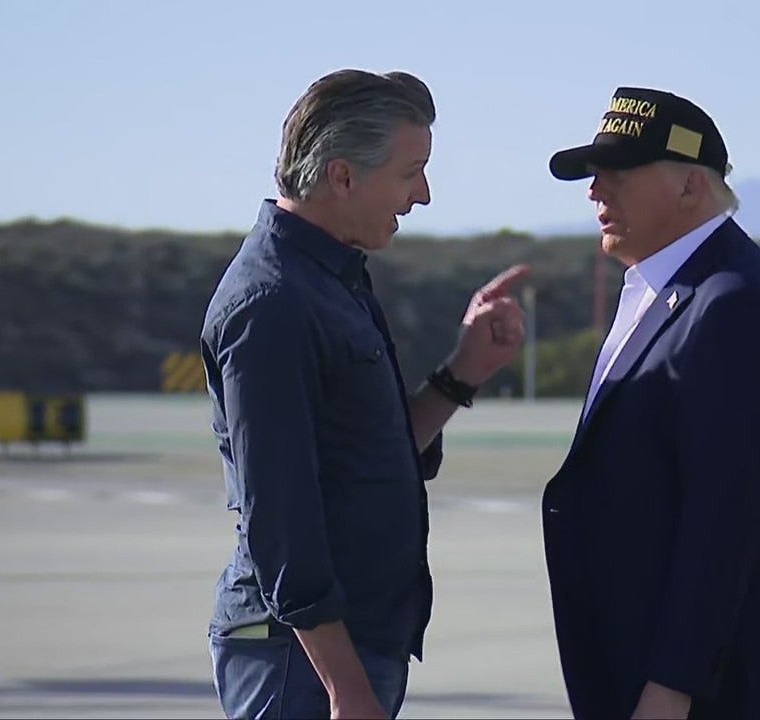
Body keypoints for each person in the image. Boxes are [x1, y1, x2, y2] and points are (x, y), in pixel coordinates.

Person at [200, 69, 528, 720]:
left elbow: (368, 457)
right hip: (301, 662)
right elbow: (282, 521)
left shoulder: (329, 281)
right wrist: (344, 688)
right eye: (412, 172)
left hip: (339, 651)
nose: (425, 194)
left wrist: (461, 373)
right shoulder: (274, 304)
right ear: (343, 176)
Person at [542, 86, 760, 720]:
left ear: (692, 186)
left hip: (715, 689)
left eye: (618, 172)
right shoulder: (667, 290)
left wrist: (672, 685)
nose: (594, 190)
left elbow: (729, 515)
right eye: (592, 174)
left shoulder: (732, 303)